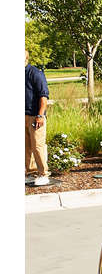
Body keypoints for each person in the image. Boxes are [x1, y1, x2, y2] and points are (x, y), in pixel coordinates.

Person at [25, 49, 51, 186]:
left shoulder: (35, 73)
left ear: (26, 59)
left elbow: (43, 96)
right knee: (26, 147)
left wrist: (40, 115)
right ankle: (30, 173)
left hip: (35, 116)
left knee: (37, 146)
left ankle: (43, 174)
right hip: (23, 115)